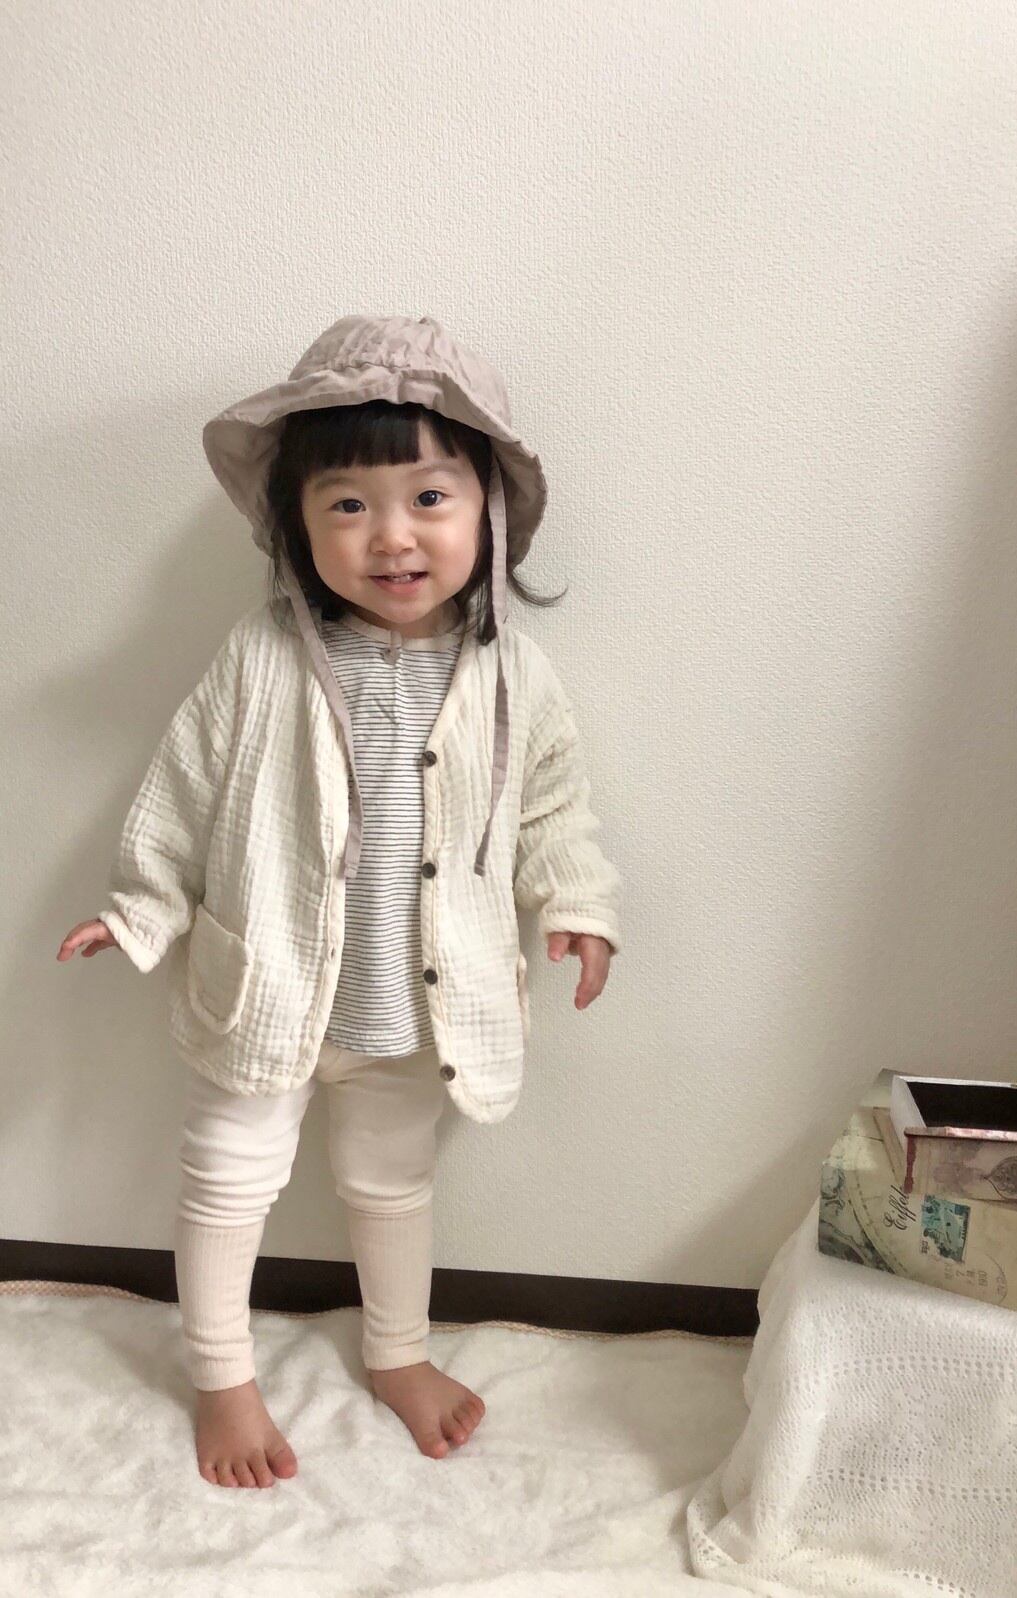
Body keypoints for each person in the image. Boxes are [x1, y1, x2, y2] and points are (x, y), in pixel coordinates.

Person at [56, 313, 624, 1490]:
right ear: (296, 523)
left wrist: (576, 900)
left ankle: (397, 1350)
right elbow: (181, 788)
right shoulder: (258, 656)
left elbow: (553, 807)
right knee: (227, 1174)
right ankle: (222, 1373)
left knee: (392, 1181)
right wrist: (141, 907)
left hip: (413, 1008)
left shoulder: (513, 673)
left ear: (489, 511)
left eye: (429, 497)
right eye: (349, 504)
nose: (391, 534)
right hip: (267, 986)